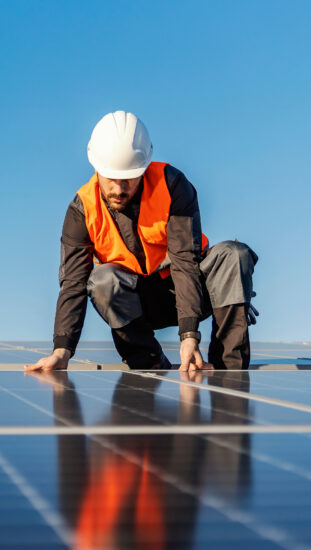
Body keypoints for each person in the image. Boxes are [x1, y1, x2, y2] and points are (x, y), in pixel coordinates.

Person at [25, 110, 258, 374]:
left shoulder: (172, 185)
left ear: (144, 168)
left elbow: (185, 260)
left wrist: (189, 335)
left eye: (128, 179)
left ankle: (229, 370)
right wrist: (61, 350)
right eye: (111, 178)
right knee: (102, 281)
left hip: (192, 289)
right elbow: (73, 284)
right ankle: (149, 363)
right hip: (138, 303)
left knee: (233, 255)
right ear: (96, 168)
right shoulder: (82, 211)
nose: (119, 189)